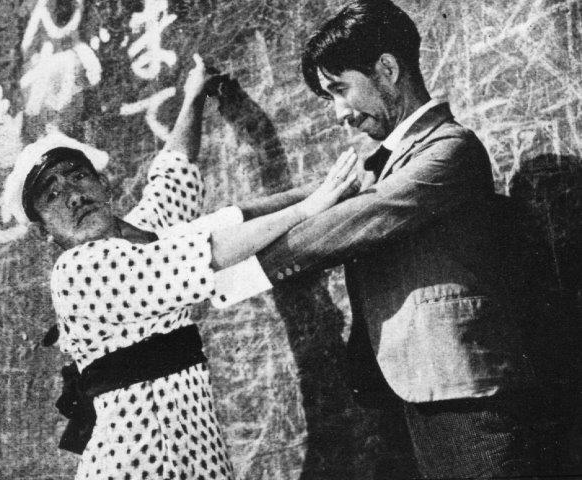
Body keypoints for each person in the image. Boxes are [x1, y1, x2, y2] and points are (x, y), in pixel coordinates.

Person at [233, 1, 566, 478]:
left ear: (387, 69)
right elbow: (303, 200)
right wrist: (208, 236)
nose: (339, 113)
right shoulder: (387, 162)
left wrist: (232, 272)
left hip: (465, 398)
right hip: (415, 394)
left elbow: (348, 221)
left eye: (340, 89)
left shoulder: (448, 148)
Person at [4, 55, 357, 480]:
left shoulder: (142, 233)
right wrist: (307, 208)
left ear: (103, 183)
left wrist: (195, 97)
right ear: (45, 232)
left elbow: (174, 174)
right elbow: (208, 253)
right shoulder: (77, 271)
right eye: (52, 195)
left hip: (197, 454)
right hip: (132, 467)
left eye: (77, 176)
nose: (73, 196)